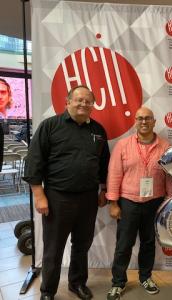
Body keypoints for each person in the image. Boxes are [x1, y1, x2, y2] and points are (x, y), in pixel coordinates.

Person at [23, 85, 110, 300]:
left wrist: (103, 190)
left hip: (88, 199)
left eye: (88, 101)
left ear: (93, 105)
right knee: (53, 248)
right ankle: (48, 291)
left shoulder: (98, 130)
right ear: (67, 102)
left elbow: (103, 164)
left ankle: (77, 283)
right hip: (57, 198)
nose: (83, 104)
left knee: (82, 245)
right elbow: (34, 161)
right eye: (78, 100)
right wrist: (39, 194)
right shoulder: (50, 126)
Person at [106, 106, 172, 300]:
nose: (143, 122)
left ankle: (146, 277)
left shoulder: (165, 146)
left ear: (154, 122)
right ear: (135, 122)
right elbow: (114, 174)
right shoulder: (123, 145)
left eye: (147, 118)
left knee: (149, 242)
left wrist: (169, 199)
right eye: (140, 118)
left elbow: (169, 175)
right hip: (128, 202)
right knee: (124, 244)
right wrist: (113, 203)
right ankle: (118, 282)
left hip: (155, 202)